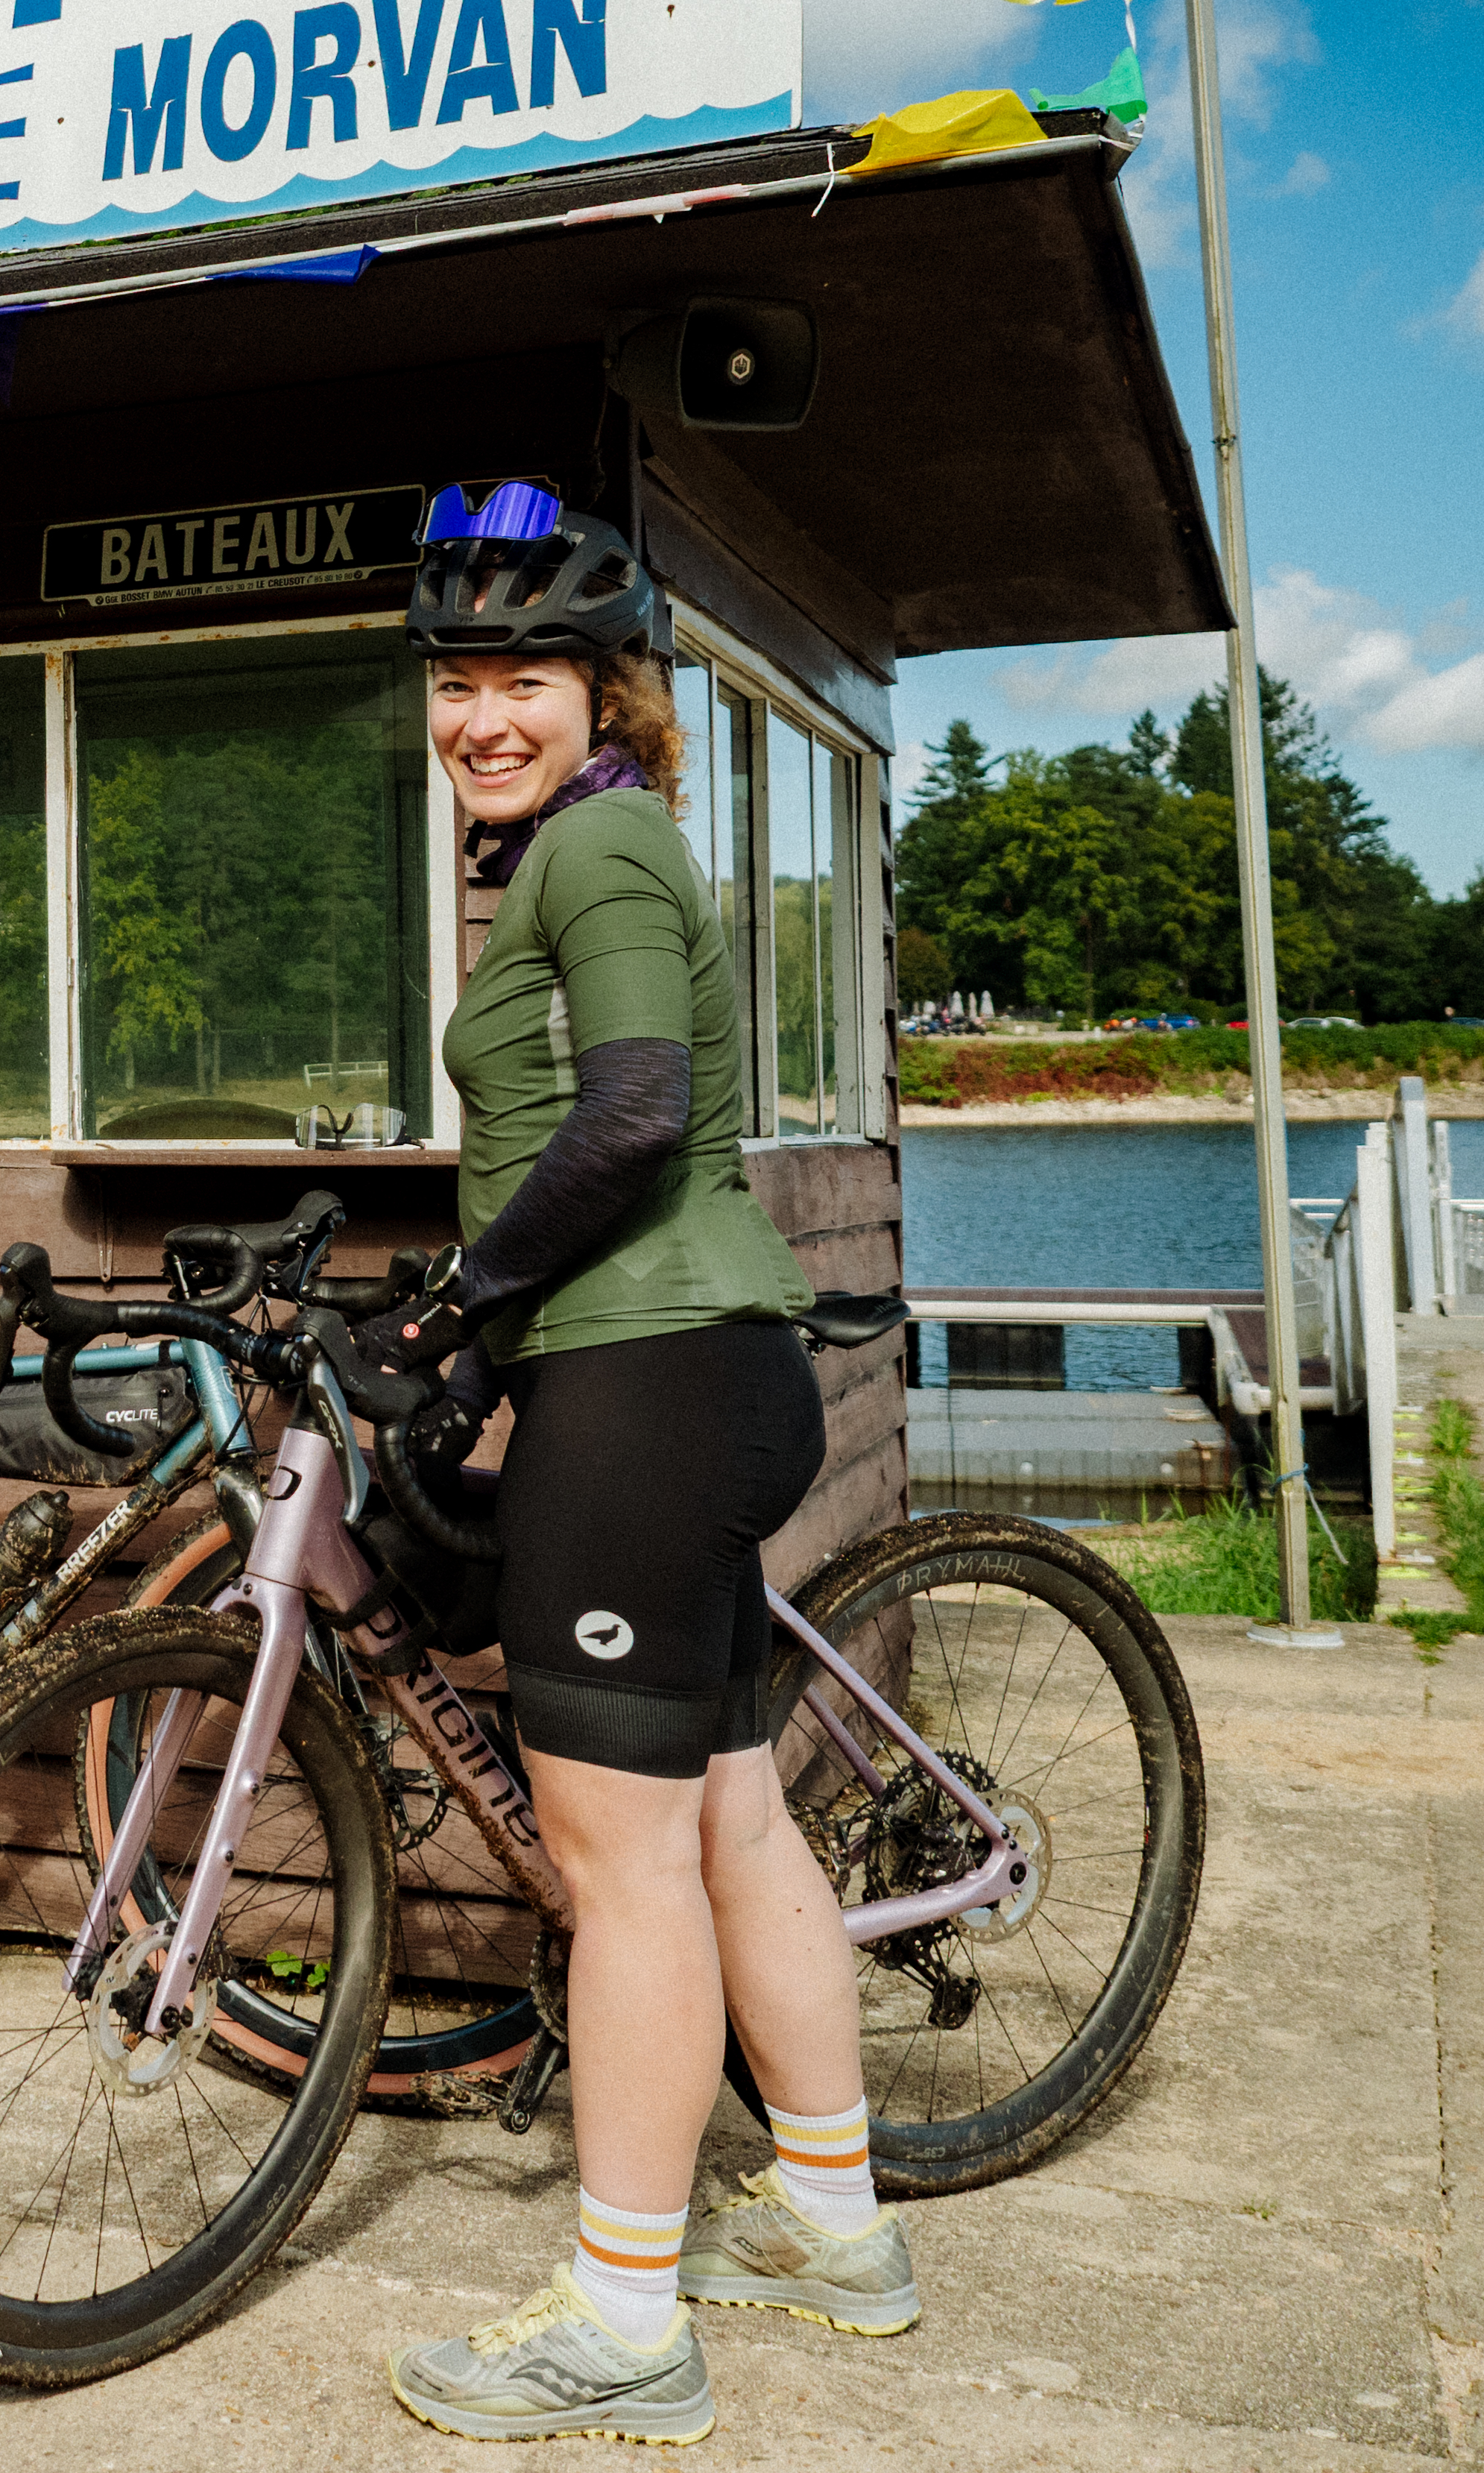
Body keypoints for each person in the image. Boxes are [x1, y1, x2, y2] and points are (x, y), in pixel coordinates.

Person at [353, 485, 910, 2446]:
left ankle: (623, 2319)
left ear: (604, 686)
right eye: (453, 679)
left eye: (518, 673)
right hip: (698, 1372)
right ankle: (832, 2222)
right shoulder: (604, 848)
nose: (478, 714)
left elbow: (636, 1118)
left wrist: (453, 1311)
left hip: (644, 1386)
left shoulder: (591, 851)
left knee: (621, 1867)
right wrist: (478, 1302)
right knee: (733, 1817)